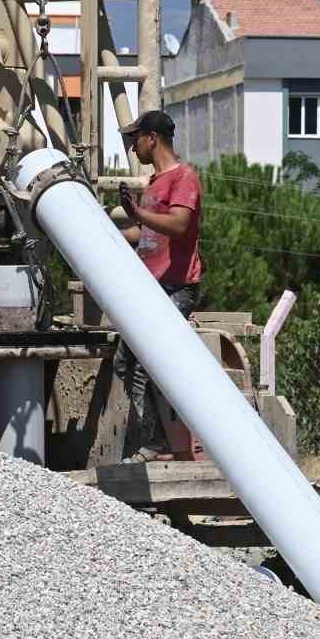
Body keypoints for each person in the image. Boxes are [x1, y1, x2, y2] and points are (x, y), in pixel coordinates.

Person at [112, 109, 203, 463]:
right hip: (152, 289)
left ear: (152, 139)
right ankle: (154, 438)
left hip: (177, 287)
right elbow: (147, 231)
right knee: (124, 361)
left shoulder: (184, 178)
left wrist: (136, 214)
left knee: (149, 361)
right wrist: (110, 235)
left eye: (136, 139)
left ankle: (156, 442)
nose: (133, 147)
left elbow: (178, 225)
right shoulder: (154, 183)